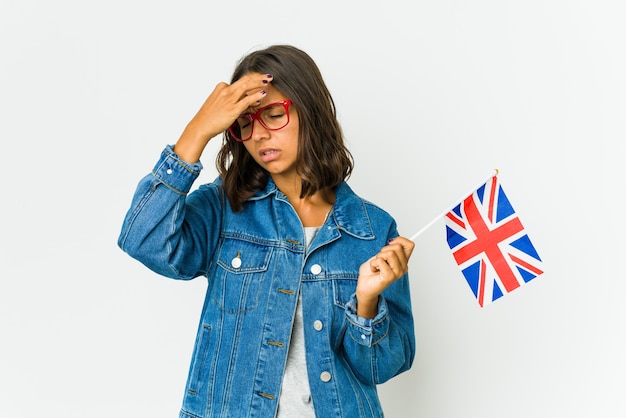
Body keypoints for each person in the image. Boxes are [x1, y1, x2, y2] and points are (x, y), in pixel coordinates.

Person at [118, 44, 416, 418]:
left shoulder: (372, 229)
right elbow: (143, 239)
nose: (258, 135)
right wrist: (197, 131)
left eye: (274, 115)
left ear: (311, 112)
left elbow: (382, 368)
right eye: (245, 123)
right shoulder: (226, 208)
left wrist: (367, 304)